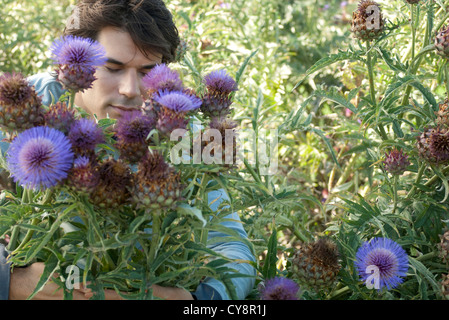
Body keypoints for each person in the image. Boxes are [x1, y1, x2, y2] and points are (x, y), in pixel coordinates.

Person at [0, 0, 256, 300]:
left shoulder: (180, 134)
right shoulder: (19, 114)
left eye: (148, 71)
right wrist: (12, 281)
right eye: (112, 67)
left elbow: (231, 246)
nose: (131, 89)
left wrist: (196, 301)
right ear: (73, 62)